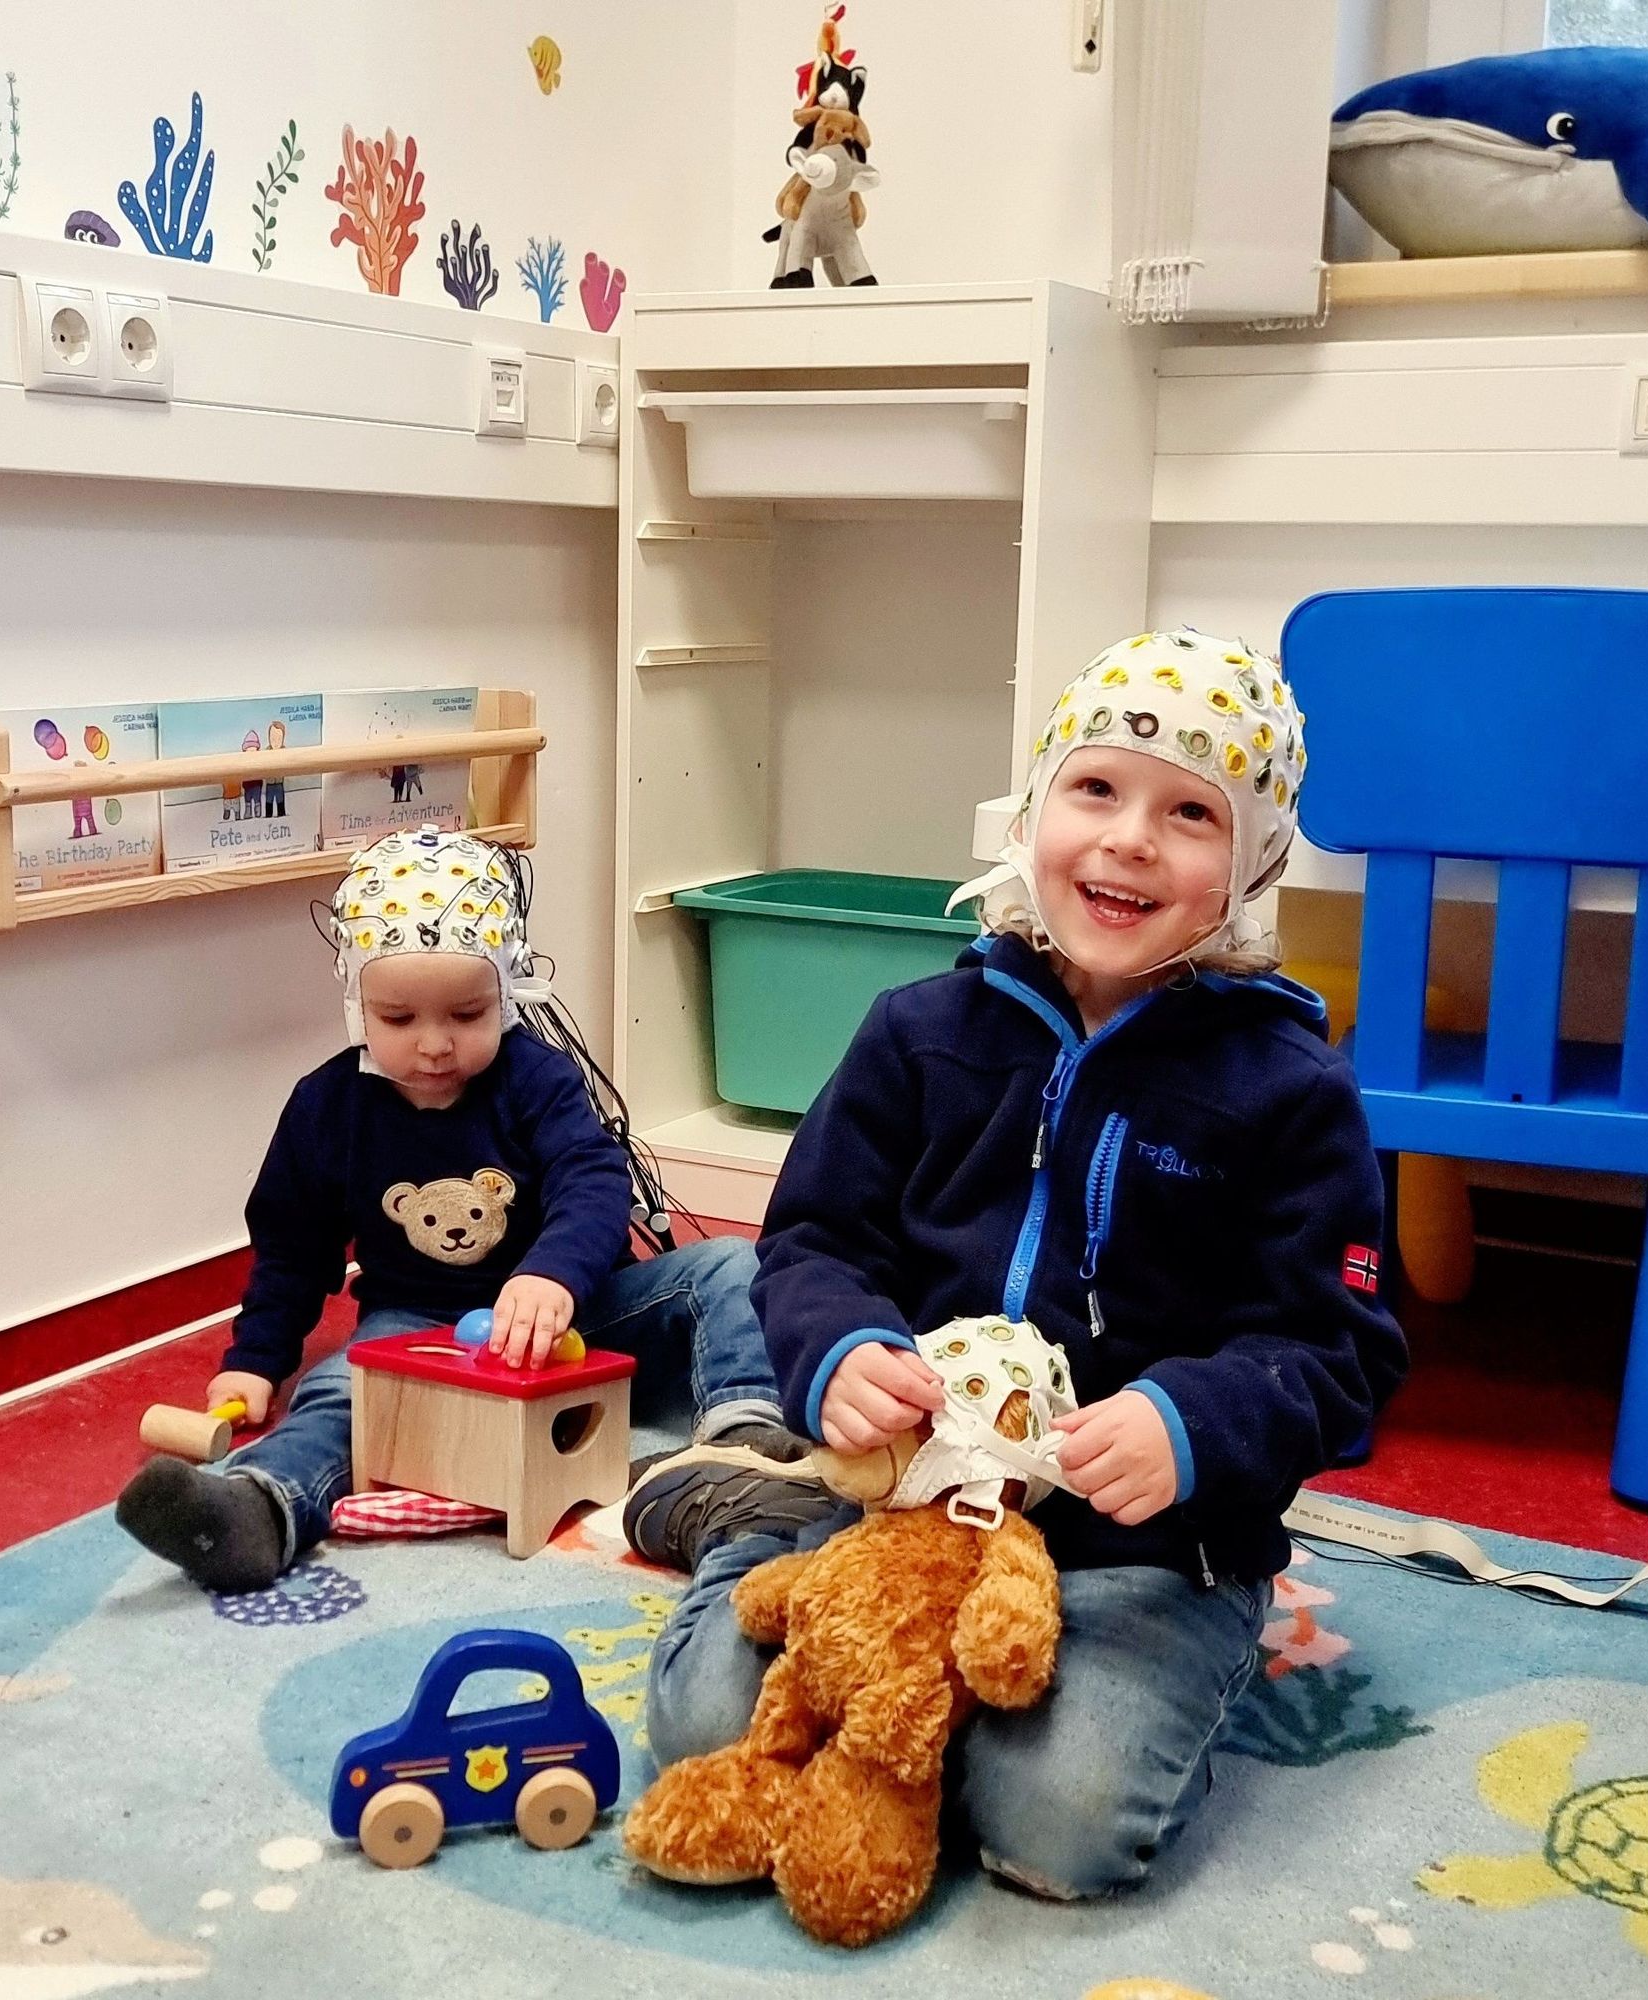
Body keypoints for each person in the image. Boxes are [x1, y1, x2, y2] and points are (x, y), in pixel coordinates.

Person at [623, 631, 1408, 1902]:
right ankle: (753, 1503)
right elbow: (815, 1237)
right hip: (897, 1499)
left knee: (1060, 1823)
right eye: (1094, 788)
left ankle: (1070, 1694)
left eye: (1191, 812)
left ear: (1250, 865)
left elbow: (1343, 1350)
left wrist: (1190, 1423)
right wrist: (836, 1351)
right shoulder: (920, 1031)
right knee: (709, 1730)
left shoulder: (1291, 1091)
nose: (1130, 838)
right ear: (1034, 807)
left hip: (1145, 1553)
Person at [117, 825, 811, 1593]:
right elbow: (292, 1246)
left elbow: (591, 1178)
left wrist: (551, 1275)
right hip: (422, 1327)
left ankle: (746, 1443)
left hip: (577, 1322)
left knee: (729, 1265)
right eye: (400, 1020)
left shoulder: (534, 1077)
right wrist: (253, 1361)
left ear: (507, 995)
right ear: (356, 1003)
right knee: (342, 1389)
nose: (436, 1045)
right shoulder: (327, 1105)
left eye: (467, 1015)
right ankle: (262, 1504)